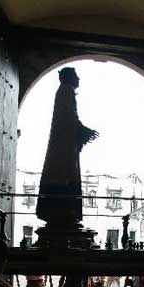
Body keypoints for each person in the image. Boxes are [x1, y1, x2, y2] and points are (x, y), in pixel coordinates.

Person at [36, 67, 99, 227]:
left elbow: (69, 117)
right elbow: (70, 117)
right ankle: (65, 212)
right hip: (65, 148)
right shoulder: (66, 91)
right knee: (65, 175)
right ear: (69, 78)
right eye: (76, 76)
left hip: (65, 144)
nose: (79, 79)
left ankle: (61, 213)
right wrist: (84, 131)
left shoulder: (63, 91)